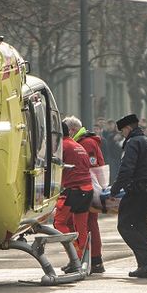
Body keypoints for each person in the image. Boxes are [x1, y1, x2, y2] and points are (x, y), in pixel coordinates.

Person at [109, 113, 147, 278]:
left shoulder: (132, 143)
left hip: (138, 190)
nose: (122, 135)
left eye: (122, 131)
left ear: (127, 128)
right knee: (139, 226)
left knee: (124, 225)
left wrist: (115, 189)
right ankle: (144, 267)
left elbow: (127, 168)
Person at [54, 117, 94, 273]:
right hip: (86, 190)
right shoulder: (77, 145)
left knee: (58, 224)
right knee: (81, 228)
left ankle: (75, 257)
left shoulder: (61, 146)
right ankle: (85, 261)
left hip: (73, 190)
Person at [72, 119, 106, 274]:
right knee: (89, 224)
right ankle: (92, 259)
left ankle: (93, 259)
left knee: (88, 224)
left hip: (87, 187)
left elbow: (92, 166)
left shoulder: (86, 143)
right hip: (89, 186)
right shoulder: (85, 141)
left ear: (73, 130)